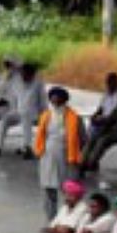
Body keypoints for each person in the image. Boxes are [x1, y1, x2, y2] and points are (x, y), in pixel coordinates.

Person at [33, 87, 83, 222]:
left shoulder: (74, 117)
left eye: (58, 98)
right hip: (47, 155)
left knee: (68, 190)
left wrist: (78, 158)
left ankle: (68, 220)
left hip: (67, 156)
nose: (54, 101)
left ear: (64, 100)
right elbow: (41, 136)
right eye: (52, 98)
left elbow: (83, 139)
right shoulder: (46, 115)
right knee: (48, 189)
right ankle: (51, 220)